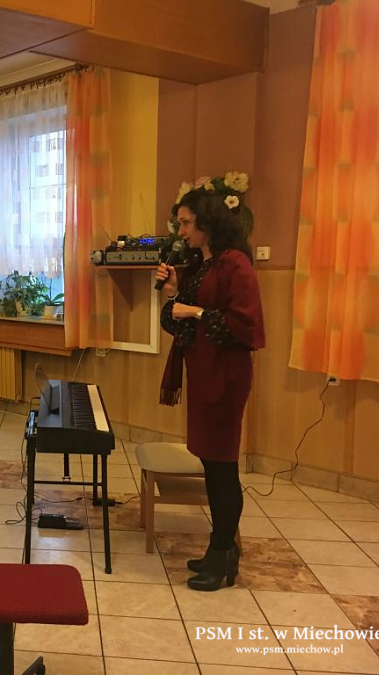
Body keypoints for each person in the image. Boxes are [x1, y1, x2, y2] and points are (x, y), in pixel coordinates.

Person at [156, 189, 265, 592]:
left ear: (208, 221)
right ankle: (221, 550)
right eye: (180, 223)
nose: (181, 231)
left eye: (186, 223)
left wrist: (195, 310)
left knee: (222, 467)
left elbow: (245, 327)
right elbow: (178, 322)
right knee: (211, 462)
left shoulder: (236, 263)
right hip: (204, 373)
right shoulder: (204, 265)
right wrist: (174, 293)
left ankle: (222, 554)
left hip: (225, 377)